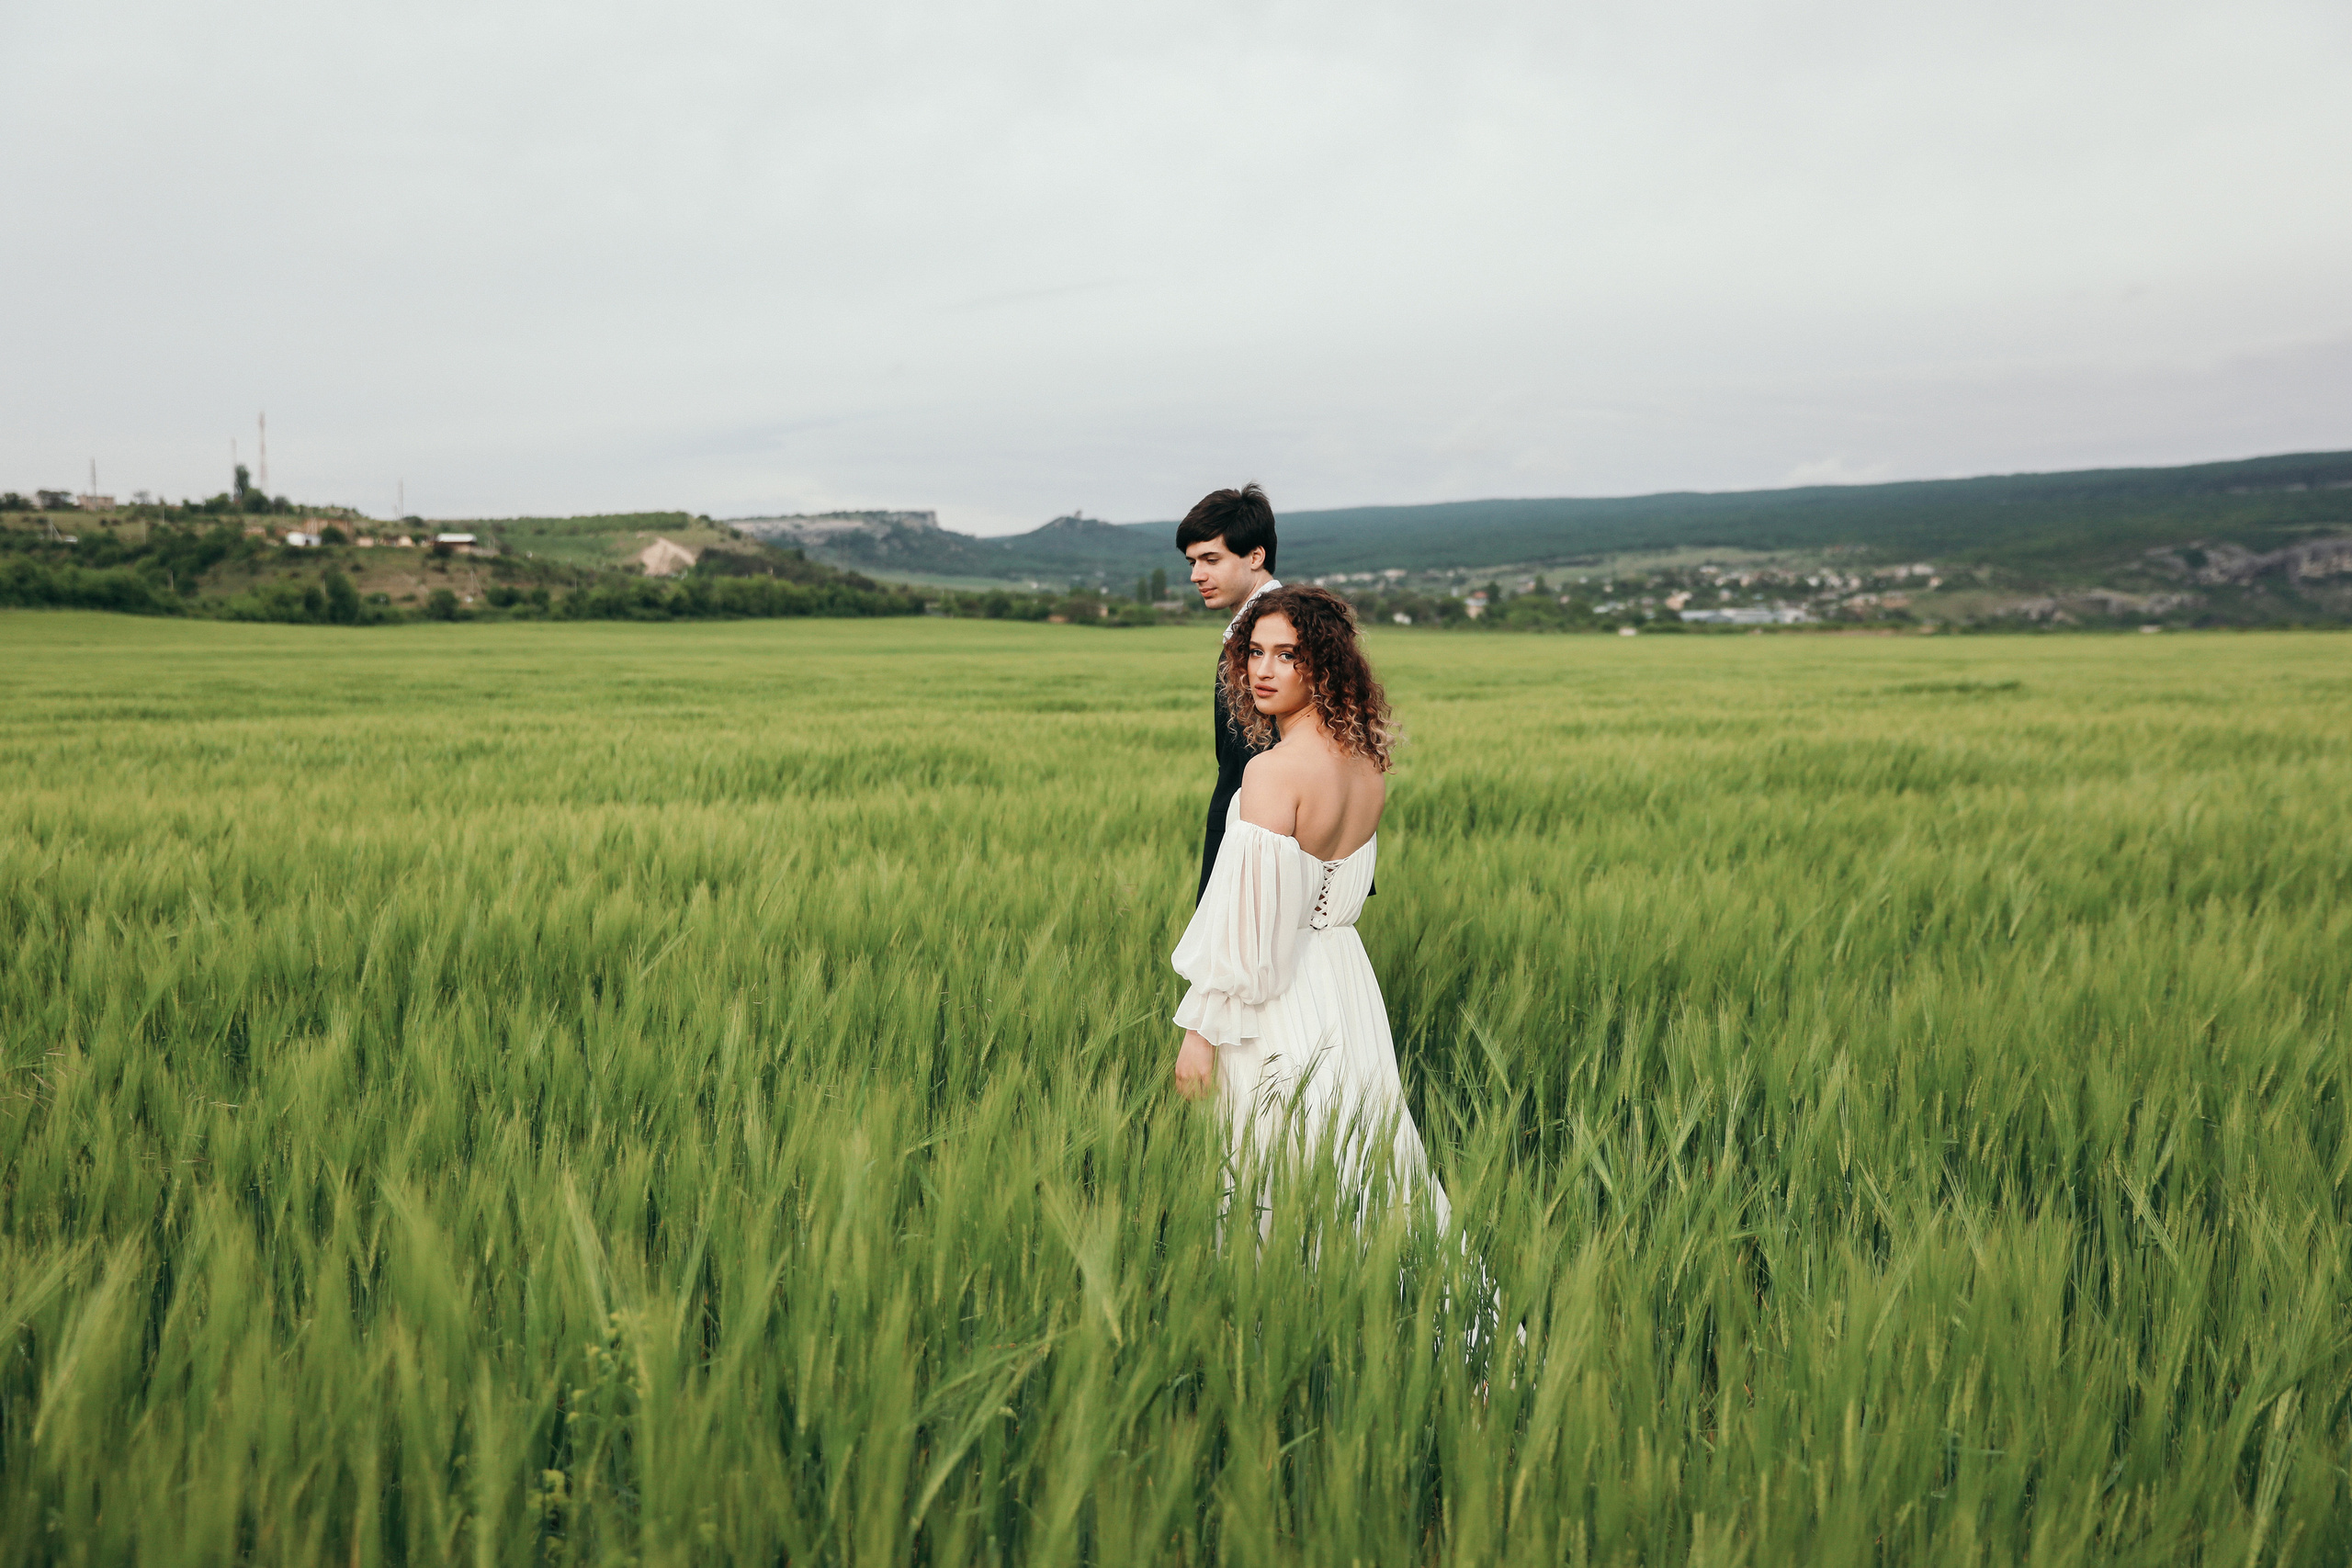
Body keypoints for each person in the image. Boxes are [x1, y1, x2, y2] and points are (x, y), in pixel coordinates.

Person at [1166, 584, 1450, 1229]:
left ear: (1322, 664)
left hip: (1276, 996)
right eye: (1254, 652)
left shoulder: (1271, 772)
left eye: (1286, 654)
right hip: (1347, 986)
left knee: (1271, 1171)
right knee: (1364, 1165)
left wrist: (1198, 1035)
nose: (1261, 670)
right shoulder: (1367, 764)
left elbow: (1248, 928)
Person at [1177, 484, 1282, 903]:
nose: (1195, 575)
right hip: (1260, 844)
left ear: (1255, 556)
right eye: (1192, 562)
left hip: (1264, 852)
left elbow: (1282, 759)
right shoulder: (1272, 628)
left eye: (1210, 559)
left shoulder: (1274, 635)